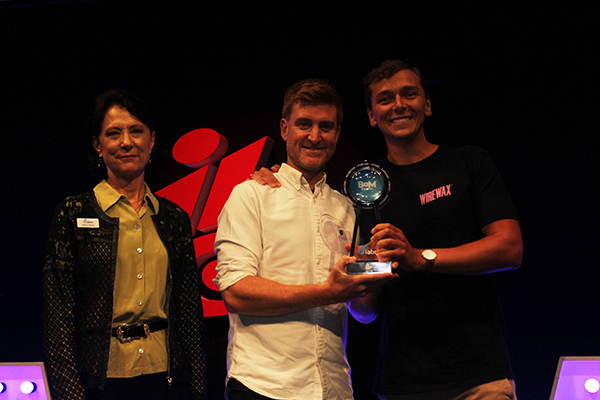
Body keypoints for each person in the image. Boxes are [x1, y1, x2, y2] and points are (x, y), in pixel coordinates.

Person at [252, 61, 523, 400]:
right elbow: (364, 311)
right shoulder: (360, 188)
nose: (398, 105)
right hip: (402, 381)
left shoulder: (469, 162)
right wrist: (369, 274)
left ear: (427, 104)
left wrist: (419, 257)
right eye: (385, 99)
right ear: (371, 115)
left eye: (409, 94)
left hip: (479, 377)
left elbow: (510, 248)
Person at [213, 79, 395, 400]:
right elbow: (236, 293)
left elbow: (363, 313)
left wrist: (377, 274)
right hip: (264, 386)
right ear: (285, 129)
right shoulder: (251, 195)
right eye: (304, 124)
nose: (314, 136)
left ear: (337, 133)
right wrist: (327, 292)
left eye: (326, 126)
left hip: (334, 387)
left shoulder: (346, 208)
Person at [43, 89, 207, 400]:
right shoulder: (73, 212)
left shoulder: (173, 218)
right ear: (98, 144)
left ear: (152, 140)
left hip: (166, 378)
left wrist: (198, 390)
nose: (126, 142)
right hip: (99, 382)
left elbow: (189, 316)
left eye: (136, 131)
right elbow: (57, 319)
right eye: (113, 133)